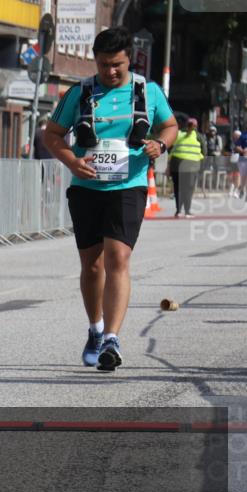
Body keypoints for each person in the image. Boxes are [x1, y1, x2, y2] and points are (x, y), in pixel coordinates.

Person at [42, 27, 178, 372]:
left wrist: (159, 145)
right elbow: (52, 135)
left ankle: (112, 340)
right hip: (87, 189)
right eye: (103, 65)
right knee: (92, 265)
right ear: (95, 61)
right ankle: (96, 328)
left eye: (116, 64)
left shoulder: (147, 91)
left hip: (128, 185)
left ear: (128, 59)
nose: (110, 71)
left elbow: (169, 126)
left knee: (118, 257)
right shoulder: (80, 93)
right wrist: (72, 160)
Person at [168, 115, 204, 218]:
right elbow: (204, 152)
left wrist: (169, 163)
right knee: (188, 189)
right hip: (192, 165)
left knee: (177, 188)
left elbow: (170, 148)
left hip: (176, 164)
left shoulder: (178, 134)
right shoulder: (198, 136)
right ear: (196, 126)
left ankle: (178, 211)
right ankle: (187, 211)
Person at [204, 125, 224, 189]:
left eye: (213, 131)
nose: (212, 132)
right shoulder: (206, 138)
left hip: (216, 156)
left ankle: (216, 184)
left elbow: (220, 148)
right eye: (211, 131)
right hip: (208, 156)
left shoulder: (218, 138)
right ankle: (207, 183)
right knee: (207, 169)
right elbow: (205, 146)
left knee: (216, 169)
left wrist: (216, 152)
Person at [234, 128, 247, 199]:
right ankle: (241, 190)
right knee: (243, 177)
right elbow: (237, 147)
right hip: (243, 160)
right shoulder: (243, 136)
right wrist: (243, 151)